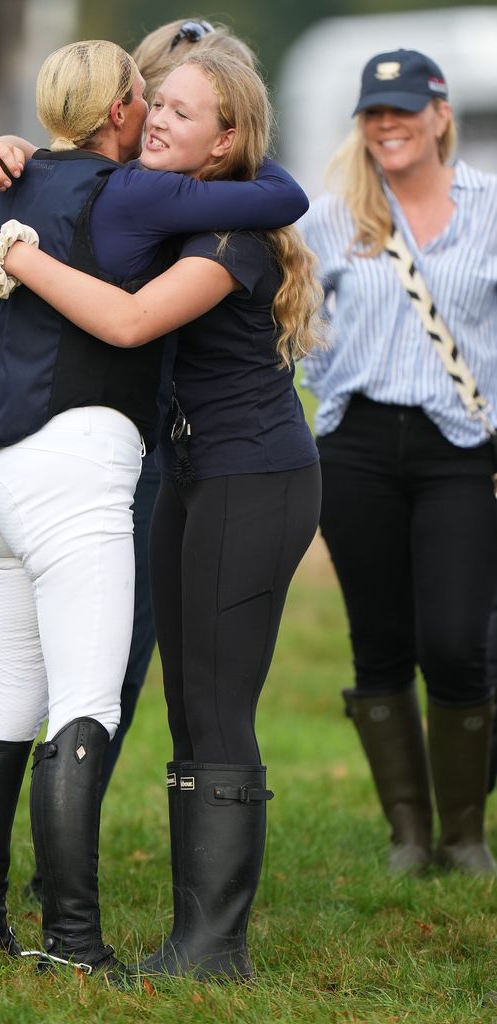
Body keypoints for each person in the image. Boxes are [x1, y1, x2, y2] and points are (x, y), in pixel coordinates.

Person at [0, 39, 310, 980]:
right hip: (189, 472)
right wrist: (16, 155)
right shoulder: (151, 204)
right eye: (155, 104)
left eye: (182, 112)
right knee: (183, 700)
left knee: (211, 707)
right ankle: (165, 933)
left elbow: (127, 321)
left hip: (251, 474)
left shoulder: (226, 234)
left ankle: (208, 945)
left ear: (229, 137)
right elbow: (76, 190)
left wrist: (11, 249)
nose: (156, 119)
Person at [300, 50, 497, 876]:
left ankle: (464, 836)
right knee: (377, 641)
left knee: (455, 641)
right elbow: (296, 322)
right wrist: (326, 381)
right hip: (356, 448)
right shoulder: (330, 214)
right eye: (373, 112)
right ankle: (408, 837)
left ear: (439, 114)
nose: (386, 125)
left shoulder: (488, 207)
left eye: (403, 110)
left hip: (459, 446)